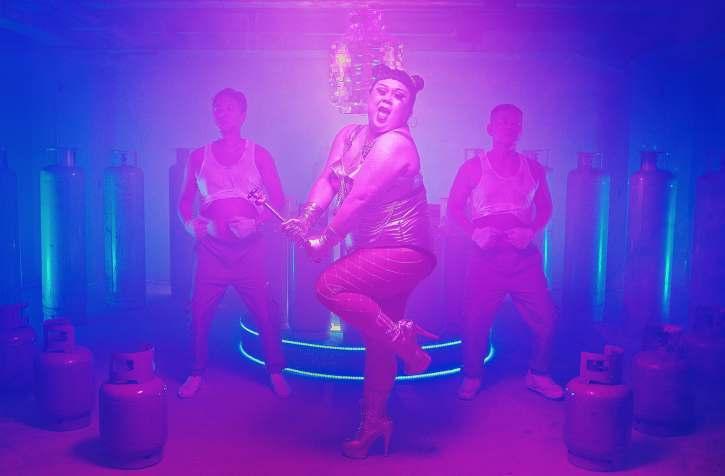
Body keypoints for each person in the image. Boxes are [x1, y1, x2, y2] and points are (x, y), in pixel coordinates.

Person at [282, 64, 436, 458]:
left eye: (399, 96)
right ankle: (375, 423)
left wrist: (324, 240)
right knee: (377, 342)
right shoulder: (349, 135)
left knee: (329, 286)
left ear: (408, 111)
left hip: (405, 250)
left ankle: (405, 341)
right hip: (371, 249)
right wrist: (306, 218)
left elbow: (360, 197)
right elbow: (328, 180)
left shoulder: (396, 144)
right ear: (367, 97)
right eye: (381, 91)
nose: (387, 99)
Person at [177, 88, 289, 398]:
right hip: (211, 251)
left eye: (228, 108)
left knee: (265, 311)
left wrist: (257, 222)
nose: (222, 113)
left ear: (242, 115)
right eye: (217, 108)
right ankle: (196, 372)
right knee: (198, 311)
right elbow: (184, 202)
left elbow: (279, 200)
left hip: (248, 250)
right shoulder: (198, 156)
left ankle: (275, 371)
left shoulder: (259, 154)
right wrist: (189, 224)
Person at [447, 104, 563, 401]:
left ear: (521, 130)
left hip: (522, 258)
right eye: (503, 122)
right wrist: (475, 232)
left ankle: (539, 373)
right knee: (475, 320)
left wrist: (531, 231)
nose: (510, 127)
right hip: (486, 258)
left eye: (515, 123)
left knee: (546, 316)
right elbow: (454, 208)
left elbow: (546, 207)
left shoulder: (533, 168)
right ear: (490, 128)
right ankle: (472, 375)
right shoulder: (473, 167)